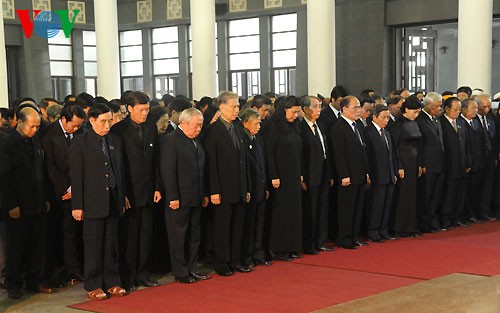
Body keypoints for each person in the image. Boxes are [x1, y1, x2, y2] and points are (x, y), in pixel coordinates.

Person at [70, 103, 129, 300]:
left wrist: (123, 196)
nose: (107, 125)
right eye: (103, 121)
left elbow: (119, 170)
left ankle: (112, 281)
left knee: (111, 244)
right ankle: (93, 284)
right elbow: (77, 176)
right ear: (92, 120)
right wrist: (77, 205)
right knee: (94, 244)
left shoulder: (115, 140)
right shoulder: (81, 142)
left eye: (110, 121)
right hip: (92, 201)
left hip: (113, 198)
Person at [1, 107, 54, 299]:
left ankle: (35, 279)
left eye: (38, 126)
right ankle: (13, 283)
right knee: (16, 246)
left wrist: (46, 198)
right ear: (19, 122)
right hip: (18, 205)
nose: (35, 130)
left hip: (38, 202)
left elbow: (42, 172)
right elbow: (5, 177)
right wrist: (11, 204)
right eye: (32, 126)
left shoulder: (36, 141)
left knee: (37, 245)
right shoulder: (7, 143)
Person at [110, 91, 162, 291]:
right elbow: (118, 165)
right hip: (130, 192)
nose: (145, 113)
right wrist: (122, 194)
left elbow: (156, 160)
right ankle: (128, 276)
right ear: (129, 109)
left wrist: (158, 186)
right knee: (130, 238)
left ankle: (143, 274)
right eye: (141, 110)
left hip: (149, 191)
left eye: (147, 109)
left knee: (146, 235)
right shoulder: (119, 130)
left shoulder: (150, 127)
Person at [204, 91, 251, 276]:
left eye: (238, 106)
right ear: (222, 107)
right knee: (222, 227)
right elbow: (212, 164)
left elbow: (244, 161)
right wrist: (214, 191)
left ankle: (235, 259)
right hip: (222, 189)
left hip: (239, 187)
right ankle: (222, 262)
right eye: (233, 106)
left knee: (237, 226)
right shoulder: (213, 131)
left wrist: (246, 187)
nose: (237, 110)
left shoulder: (238, 128)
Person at [160, 108, 210, 284]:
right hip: (179, 198)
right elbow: (168, 171)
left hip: (195, 196)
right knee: (178, 236)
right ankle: (181, 271)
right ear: (184, 123)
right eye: (196, 126)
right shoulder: (171, 141)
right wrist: (173, 196)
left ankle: (192, 268)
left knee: (194, 235)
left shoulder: (196, 140)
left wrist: (203, 194)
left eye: (201, 126)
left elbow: (201, 170)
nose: (199, 129)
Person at [42, 104, 86, 285]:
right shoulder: (49, 135)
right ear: (63, 120)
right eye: (73, 125)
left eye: (79, 126)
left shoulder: (81, 133)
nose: (76, 129)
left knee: (78, 233)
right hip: (59, 194)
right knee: (64, 233)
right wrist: (66, 189)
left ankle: (77, 267)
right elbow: (50, 167)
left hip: (79, 191)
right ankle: (67, 269)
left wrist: (76, 187)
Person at [264, 96, 303, 260]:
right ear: (284, 110)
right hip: (279, 176)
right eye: (293, 112)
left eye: (297, 112)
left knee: (293, 211)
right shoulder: (273, 126)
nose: (295, 115)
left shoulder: (293, 126)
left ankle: (292, 245)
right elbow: (269, 153)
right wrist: (274, 175)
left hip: (293, 175)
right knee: (281, 212)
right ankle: (279, 248)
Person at [330, 96, 369, 249]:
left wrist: (366, 171)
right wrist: (344, 175)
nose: (358, 110)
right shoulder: (338, 127)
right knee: (347, 208)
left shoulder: (357, 125)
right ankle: (344, 238)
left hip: (359, 174)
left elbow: (362, 150)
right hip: (348, 176)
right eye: (355, 107)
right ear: (344, 109)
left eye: (359, 107)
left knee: (358, 208)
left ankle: (354, 235)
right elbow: (338, 154)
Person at [298, 96, 333, 254]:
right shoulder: (300, 128)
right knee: (311, 211)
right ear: (305, 109)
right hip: (310, 175)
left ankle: (321, 241)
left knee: (322, 209)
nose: (319, 110)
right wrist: (302, 176)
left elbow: (327, 151)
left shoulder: (321, 126)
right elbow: (301, 156)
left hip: (323, 173)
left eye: (320, 107)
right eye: (315, 107)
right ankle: (309, 243)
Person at [239, 108, 272, 267]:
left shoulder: (258, 139)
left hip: (260, 188)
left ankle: (258, 254)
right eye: (256, 123)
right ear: (246, 123)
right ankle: (247, 256)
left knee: (259, 225)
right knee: (249, 226)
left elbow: (262, 165)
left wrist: (265, 186)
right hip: (250, 190)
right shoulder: (242, 140)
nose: (259, 126)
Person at [363, 105, 398, 242]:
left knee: (387, 204)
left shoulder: (387, 132)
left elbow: (392, 154)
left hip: (389, 174)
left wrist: (394, 171)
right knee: (376, 205)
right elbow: (367, 156)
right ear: (374, 117)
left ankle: (384, 230)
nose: (386, 120)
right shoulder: (368, 132)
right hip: (376, 174)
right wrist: (368, 174)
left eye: (388, 117)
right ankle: (373, 231)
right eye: (383, 117)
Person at [391, 96, 423, 237]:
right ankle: (400, 227)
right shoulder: (398, 124)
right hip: (403, 163)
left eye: (418, 112)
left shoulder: (415, 123)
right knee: (403, 196)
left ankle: (411, 226)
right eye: (414, 112)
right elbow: (395, 147)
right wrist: (399, 166)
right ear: (406, 109)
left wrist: (421, 164)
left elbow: (419, 145)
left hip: (414, 163)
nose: (416, 115)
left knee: (413, 196)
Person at [416, 92, 445, 233]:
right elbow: (420, 145)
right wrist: (422, 164)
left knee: (436, 195)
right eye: (438, 105)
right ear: (428, 105)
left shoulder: (436, 119)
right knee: (426, 196)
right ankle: (424, 223)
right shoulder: (420, 120)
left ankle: (433, 221)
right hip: (428, 164)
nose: (440, 108)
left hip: (439, 163)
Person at [440, 97, 469, 228]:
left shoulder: (461, 123)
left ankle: (456, 217)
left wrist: (467, 162)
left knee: (460, 193)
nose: (458, 112)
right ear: (447, 109)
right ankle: (445, 218)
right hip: (449, 165)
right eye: (455, 109)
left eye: (459, 109)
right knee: (449, 194)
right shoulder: (441, 123)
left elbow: (466, 144)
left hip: (461, 164)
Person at [458, 99, 483, 222]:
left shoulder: (476, 122)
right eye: (473, 108)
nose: (476, 111)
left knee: (475, 189)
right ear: (464, 109)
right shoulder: (460, 123)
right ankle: (464, 214)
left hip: (477, 162)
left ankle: (473, 212)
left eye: (477, 108)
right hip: (466, 163)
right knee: (465, 191)